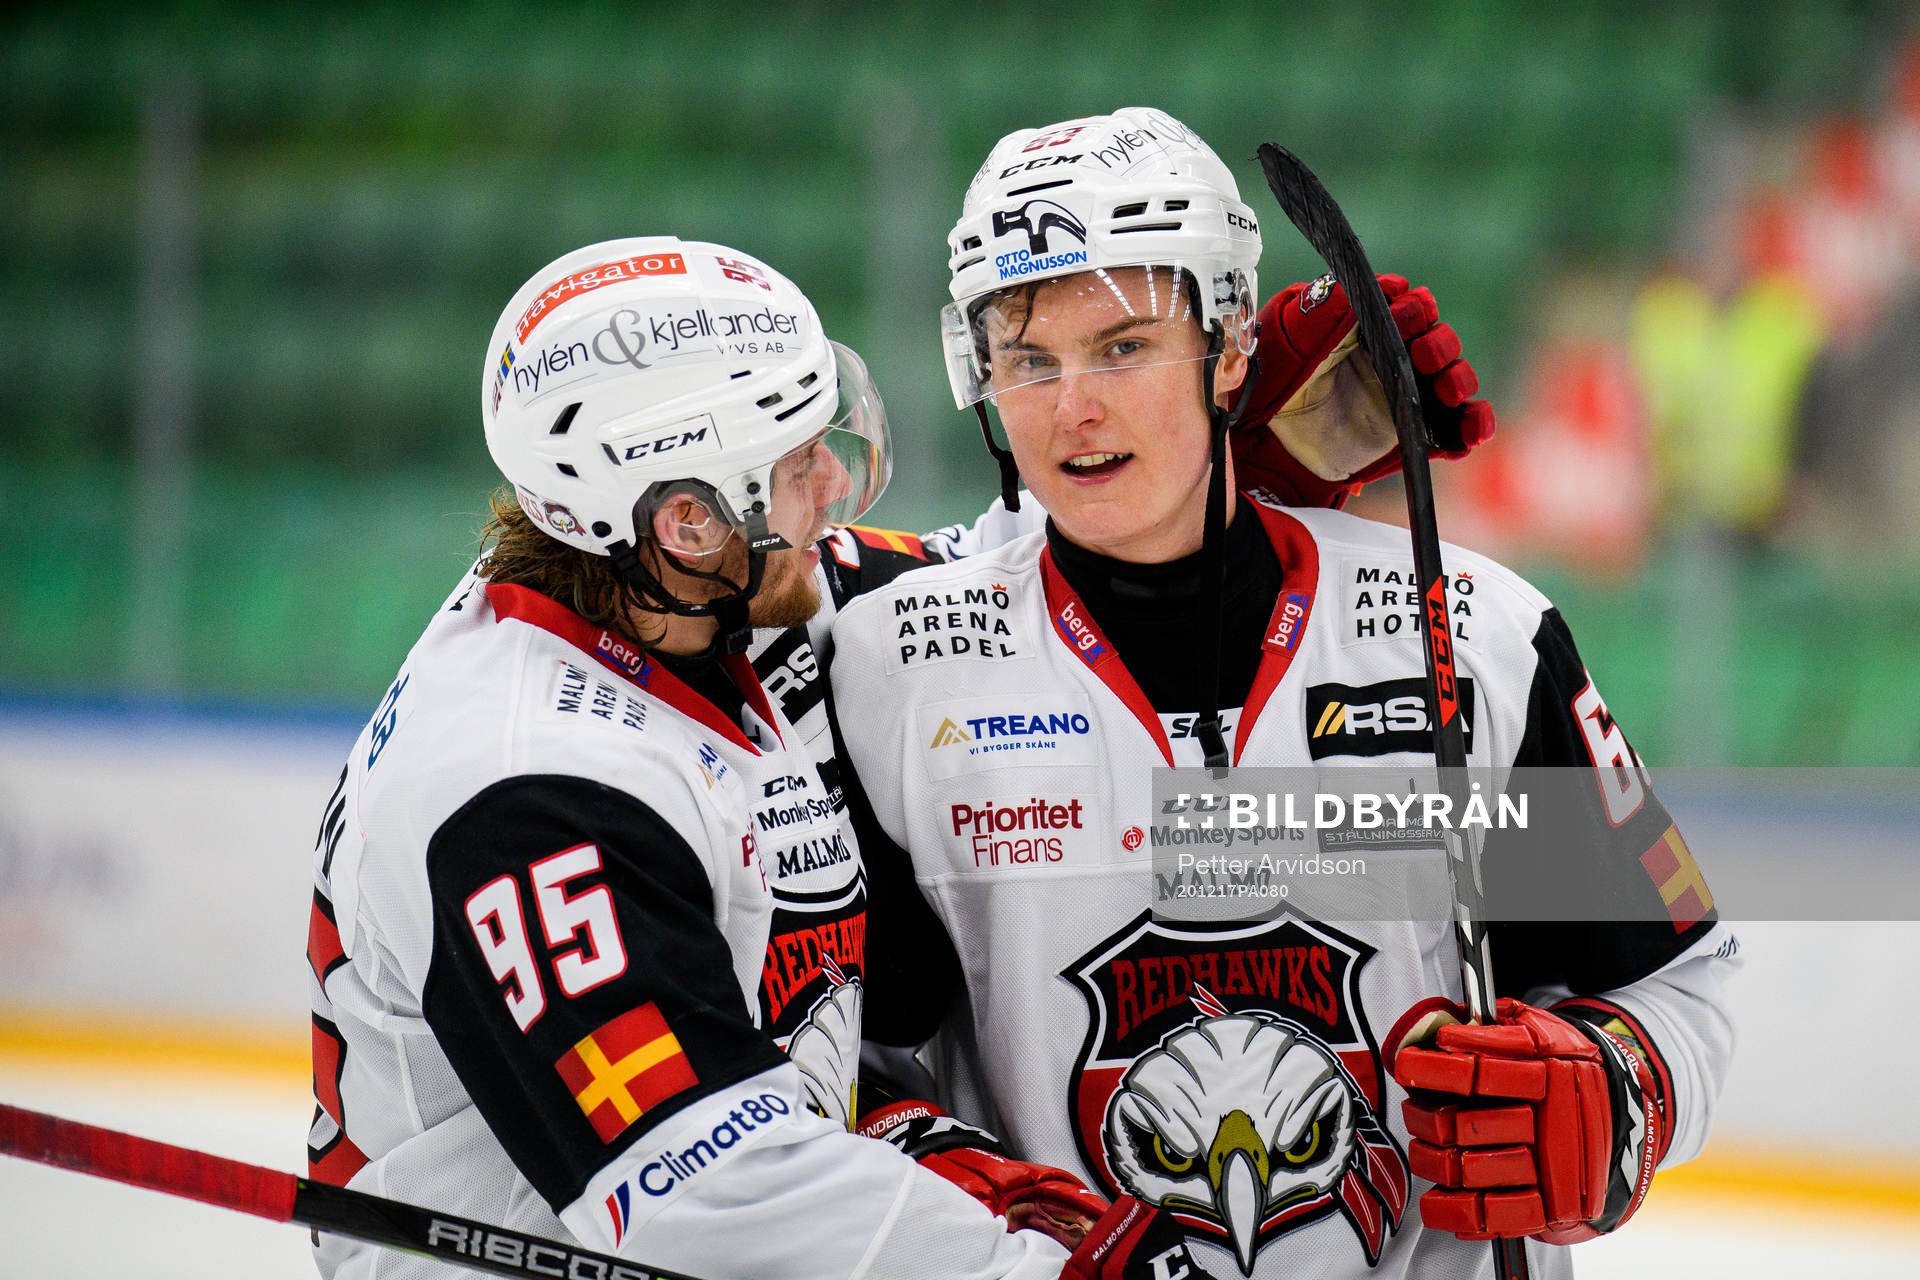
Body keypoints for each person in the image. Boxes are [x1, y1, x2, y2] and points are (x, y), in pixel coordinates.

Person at [828, 108, 1740, 1280]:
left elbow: (1675, 977)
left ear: (1231, 351)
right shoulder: (895, 667)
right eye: (1028, 360)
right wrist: (925, 1169)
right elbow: (833, 1063)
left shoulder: (1470, 630)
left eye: (1122, 347)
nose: (1072, 409)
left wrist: (1620, 1090)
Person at [305, 237, 1247, 1280]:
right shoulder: (527, 801)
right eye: (798, 461)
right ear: (688, 519)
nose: (835, 480)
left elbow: (987, 574)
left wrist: (1224, 432)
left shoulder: (681, 598)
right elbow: (713, 1188)